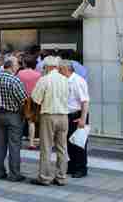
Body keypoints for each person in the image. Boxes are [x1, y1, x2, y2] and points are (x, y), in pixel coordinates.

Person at [31, 56, 69, 186]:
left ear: (47, 67)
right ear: (57, 67)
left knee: (46, 147)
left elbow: (36, 98)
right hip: (64, 116)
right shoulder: (65, 79)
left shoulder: (44, 79)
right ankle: (61, 176)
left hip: (49, 115)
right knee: (62, 148)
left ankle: (45, 177)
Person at [0, 56, 28, 182]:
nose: (18, 67)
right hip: (13, 115)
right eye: (17, 64)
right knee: (14, 145)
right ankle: (14, 174)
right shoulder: (14, 80)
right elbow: (23, 100)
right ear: (11, 66)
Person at [60, 60, 90, 178]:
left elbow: (85, 101)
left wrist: (83, 118)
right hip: (68, 115)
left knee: (79, 143)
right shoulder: (65, 80)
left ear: (67, 69)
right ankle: (72, 165)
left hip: (77, 115)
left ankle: (81, 168)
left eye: (60, 69)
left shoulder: (78, 81)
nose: (59, 71)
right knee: (69, 142)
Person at [17, 55, 42, 151]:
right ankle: (31, 142)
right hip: (33, 99)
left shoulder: (20, 73)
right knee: (31, 122)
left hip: (21, 98)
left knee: (19, 121)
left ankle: (17, 142)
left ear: (25, 63)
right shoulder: (38, 75)